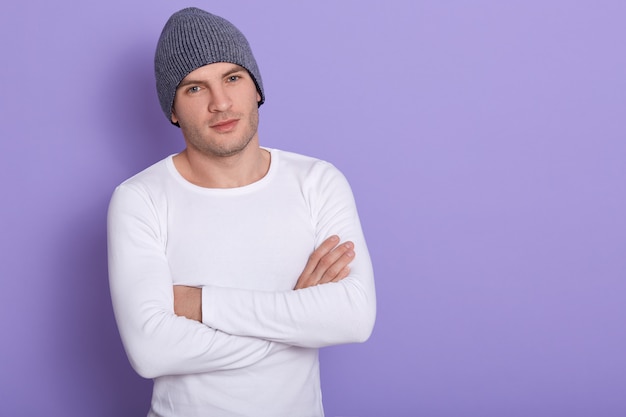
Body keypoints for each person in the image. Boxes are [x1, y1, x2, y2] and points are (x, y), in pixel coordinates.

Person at [107, 7, 376, 417]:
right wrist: (298, 314)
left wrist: (202, 304)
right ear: (173, 109)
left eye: (233, 78)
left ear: (257, 90)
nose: (220, 103)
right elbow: (151, 351)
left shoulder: (318, 181)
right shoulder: (139, 198)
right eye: (194, 88)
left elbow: (354, 318)